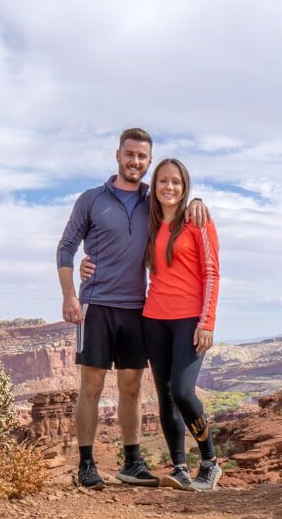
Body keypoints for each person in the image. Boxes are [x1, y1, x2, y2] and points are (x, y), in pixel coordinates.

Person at [56, 128, 208, 489]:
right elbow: (66, 248)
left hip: (136, 308)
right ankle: (87, 464)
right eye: (129, 154)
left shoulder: (151, 201)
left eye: (142, 157)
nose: (135, 161)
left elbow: (178, 200)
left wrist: (199, 199)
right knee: (91, 385)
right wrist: (69, 295)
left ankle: (133, 463)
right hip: (95, 304)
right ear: (118, 155)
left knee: (131, 386)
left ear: (148, 162)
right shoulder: (91, 199)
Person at [138, 158, 222, 491]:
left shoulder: (197, 221)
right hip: (153, 319)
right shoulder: (149, 223)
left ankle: (211, 462)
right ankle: (179, 468)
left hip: (189, 320)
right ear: (154, 186)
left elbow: (212, 274)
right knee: (165, 397)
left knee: (183, 392)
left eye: (175, 182)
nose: (168, 187)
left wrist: (208, 322)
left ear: (185, 187)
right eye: (162, 181)